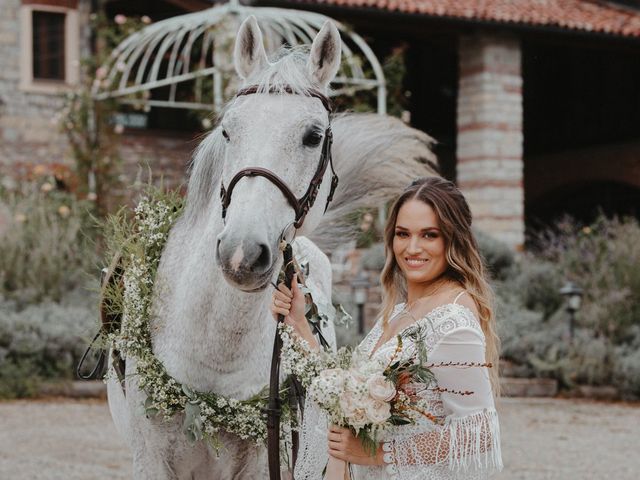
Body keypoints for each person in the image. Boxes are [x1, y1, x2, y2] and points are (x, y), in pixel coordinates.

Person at [271, 177, 503, 479]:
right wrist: (298, 320)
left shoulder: (454, 322)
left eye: (429, 235)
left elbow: (479, 431)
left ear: (452, 238)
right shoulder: (400, 312)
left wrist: (378, 454)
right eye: (402, 234)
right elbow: (341, 392)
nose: (413, 248)